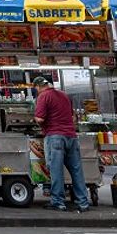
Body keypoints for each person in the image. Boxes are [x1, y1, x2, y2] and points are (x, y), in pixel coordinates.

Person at [33, 76, 90, 212]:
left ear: (39, 86)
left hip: (55, 137)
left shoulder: (43, 96)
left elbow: (40, 119)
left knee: (56, 170)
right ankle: (83, 202)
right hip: (71, 136)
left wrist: (34, 118)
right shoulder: (64, 95)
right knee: (76, 170)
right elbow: (73, 117)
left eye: (35, 89)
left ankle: (58, 202)